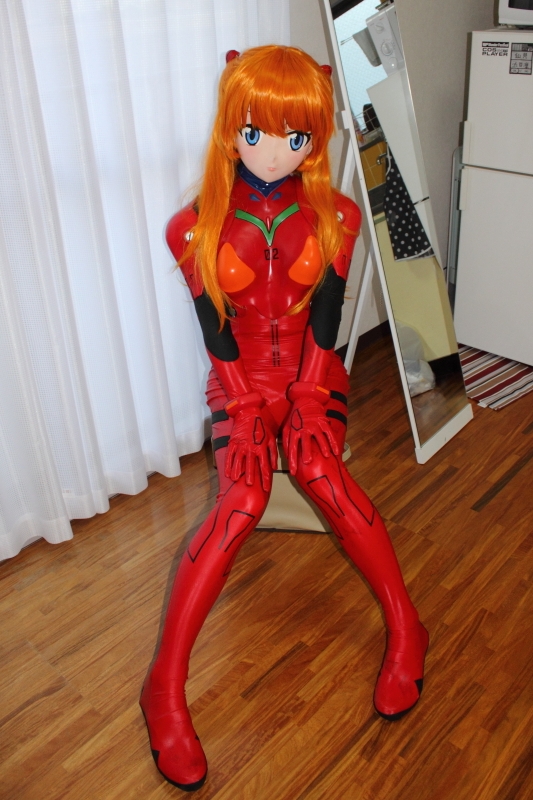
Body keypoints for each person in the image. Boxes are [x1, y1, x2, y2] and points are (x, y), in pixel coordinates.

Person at [140, 45, 428, 792]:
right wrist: (243, 404)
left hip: (312, 371)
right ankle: (163, 685)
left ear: (315, 138)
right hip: (241, 380)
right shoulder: (191, 227)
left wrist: (306, 397)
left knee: (320, 470)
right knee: (241, 500)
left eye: (295, 137)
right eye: (256, 133)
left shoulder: (336, 216)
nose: (274, 154)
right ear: (230, 128)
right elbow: (216, 334)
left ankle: (407, 626)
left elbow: (326, 320)